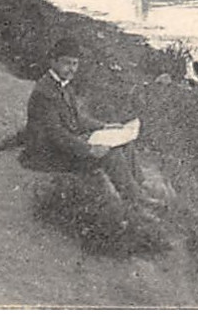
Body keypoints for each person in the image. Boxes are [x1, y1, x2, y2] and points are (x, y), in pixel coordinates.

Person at [23, 36, 161, 216]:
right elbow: (56, 135)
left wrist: (105, 127)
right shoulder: (45, 93)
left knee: (124, 142)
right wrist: (89, 149)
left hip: (64, 144)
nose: (71, 68)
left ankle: (139, 190)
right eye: (66, 63)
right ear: (53, 62)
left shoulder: (63, 86)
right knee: (112, 154)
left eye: (75, 64)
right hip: (48, 153)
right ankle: (135, 202)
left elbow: (78, 119)